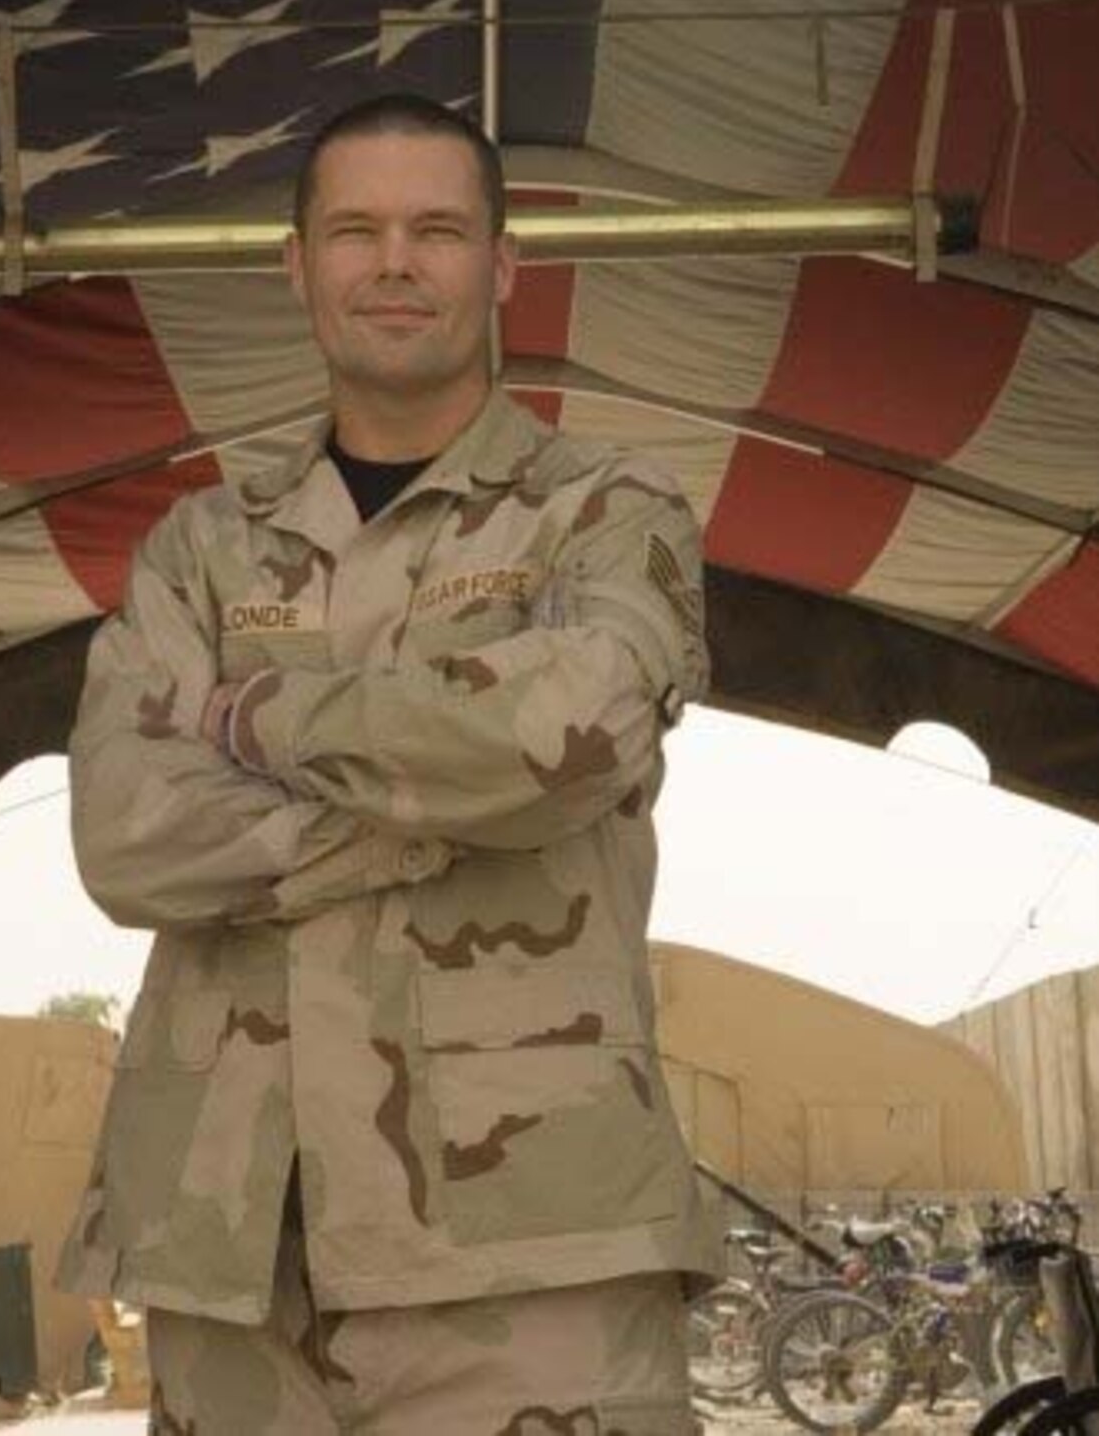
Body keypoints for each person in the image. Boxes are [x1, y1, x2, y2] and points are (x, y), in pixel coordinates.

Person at [58, 95, 719, 1435]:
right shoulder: (201, 549)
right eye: (353, 231)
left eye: (436, 229)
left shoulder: (605, 512)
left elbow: (566, 732)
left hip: (530, 1254)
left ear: (502, 266)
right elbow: (125, 834)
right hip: (235, 1246)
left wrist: (268, 719)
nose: (394, 262)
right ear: (296, 265)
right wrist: (441, 816)